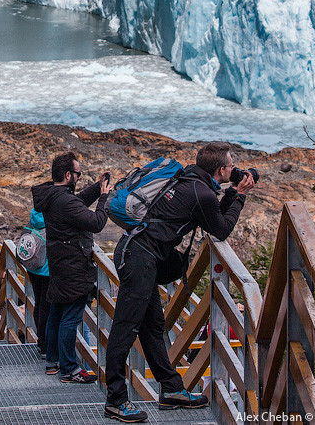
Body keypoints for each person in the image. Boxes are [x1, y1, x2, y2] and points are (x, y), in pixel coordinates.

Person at [103, 142, 255, 423]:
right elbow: (220, 229)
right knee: (125, 328)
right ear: (221, 169)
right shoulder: (201, 192)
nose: (234, 170)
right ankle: (116, 400)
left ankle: (171, 389)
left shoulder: (190, 179)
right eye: (232, 166)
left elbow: (210, 215)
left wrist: (232, 192)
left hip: (136, 252)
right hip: (139, 259)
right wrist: (241, 197)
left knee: (152, 327)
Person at [33, 152, 111, 384]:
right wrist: (104, 198)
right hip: (73, 266)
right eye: (77, 174)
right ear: (68, 175)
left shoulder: (53, 196)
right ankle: (69, 369)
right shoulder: (65, 201)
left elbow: (77, 202)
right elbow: (97, 223)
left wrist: (97, 187)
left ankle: (53, 360)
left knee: (56, 313)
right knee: (70, 318)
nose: (78, 178)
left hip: (59, 263)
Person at [25, 207, 52, 359]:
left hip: (34, 267)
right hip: (48, 269)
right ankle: (45, 345)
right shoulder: (53, 214)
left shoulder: (35, 214)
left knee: (39, 304)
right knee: (47, 308)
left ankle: (41, 343)